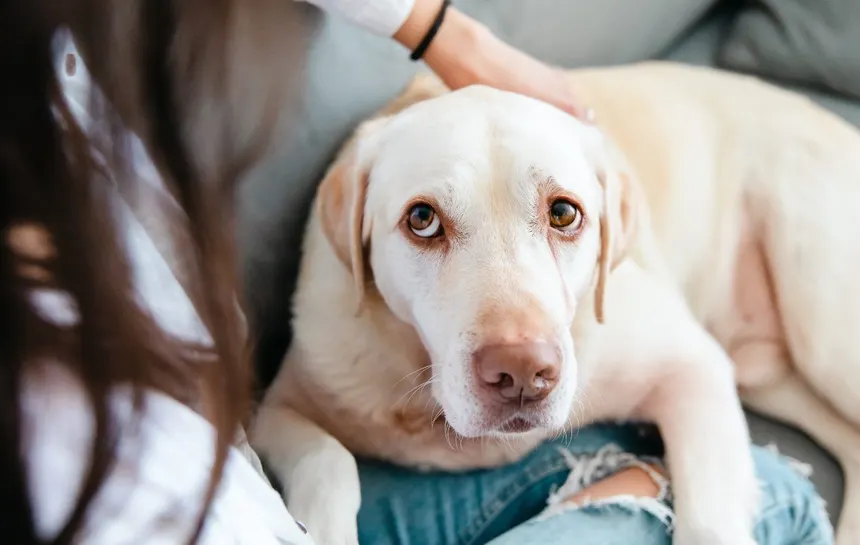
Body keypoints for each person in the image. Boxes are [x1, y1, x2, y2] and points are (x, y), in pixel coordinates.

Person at [0, 1, 832, 544]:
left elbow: (696, 368)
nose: (521, 343)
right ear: (357, 241)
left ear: (606, 234)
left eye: (563, 217)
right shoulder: (338, 274)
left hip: (770, 166)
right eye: (427, 223)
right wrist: (323, 477)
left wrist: (444, 30)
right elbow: (288, 411)